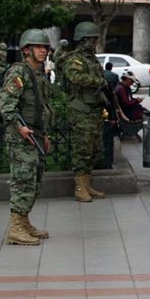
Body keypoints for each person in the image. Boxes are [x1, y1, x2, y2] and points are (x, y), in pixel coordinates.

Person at [0, 29, 55, 245]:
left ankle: (24, 220)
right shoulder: (19, 72)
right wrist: (20, 128)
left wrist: (45, 134)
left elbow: (42, 107)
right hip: (21, 136)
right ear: (26, 50)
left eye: (45, 47)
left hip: (35, 134)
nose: (43, 50)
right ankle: (16, 228)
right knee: (23, 180)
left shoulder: (38, 74)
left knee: (35, 180)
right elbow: (5, 104)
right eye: (38, 47)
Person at [61, 21, 109, 202]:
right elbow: (75, 77)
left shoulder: (91, 59)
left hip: (94, 109)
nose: (94, 42)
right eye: (91, 39)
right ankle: (80, 187)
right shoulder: (75, 59)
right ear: (83, 40)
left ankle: (87, 184)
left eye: (95, 39)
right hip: (81, 110)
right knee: (82, 149)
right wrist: (98, 82)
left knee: (94, 149)